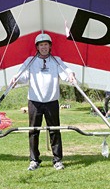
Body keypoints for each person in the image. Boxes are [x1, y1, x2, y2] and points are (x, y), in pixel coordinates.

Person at [10, 33, 76, 171]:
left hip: (51, 101)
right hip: (34, 102)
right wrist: (16, 79)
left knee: (55, 131)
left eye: (46, 45)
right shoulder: (30, 60)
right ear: (37, 47)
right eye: (41, 45)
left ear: (50, 46)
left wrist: (70, 75)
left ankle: (57, 160)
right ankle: (34, 160)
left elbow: (65, 72)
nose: (44, 47)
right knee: (33, 131)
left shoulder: (56, 60)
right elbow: (22, 75)